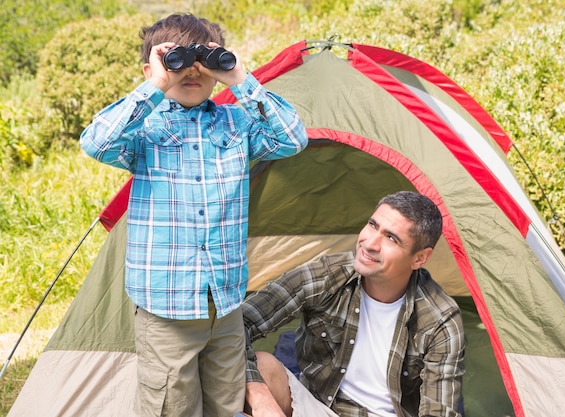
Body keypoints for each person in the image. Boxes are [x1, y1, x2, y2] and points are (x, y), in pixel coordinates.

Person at [80, 13, 308, 417]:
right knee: (171, 405)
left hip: (224, 302)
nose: (192, 71)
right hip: (166, 308)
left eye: (205, 60)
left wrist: (239, 78)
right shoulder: (144, 130)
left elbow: (293, 139)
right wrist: (156, 85)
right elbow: (96, 142)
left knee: (225, 404)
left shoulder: (237, 124)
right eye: (176, 60)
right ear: (150, 68)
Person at [242, 191, 465, 417]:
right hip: (319, 410)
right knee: (261, 366)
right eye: (372, 225)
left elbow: (439, 412)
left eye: (391, 238)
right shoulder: (327, 276)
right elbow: (238, 324)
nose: (370, 244)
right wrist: (260, 398)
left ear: (419, 258)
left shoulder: (441, 320)